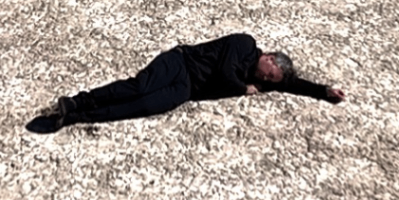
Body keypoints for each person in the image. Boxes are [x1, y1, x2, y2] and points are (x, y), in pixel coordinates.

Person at [28, 31, 345, 132]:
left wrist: (323, 92)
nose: (265, 79)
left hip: (188, 89)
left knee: (147, 105)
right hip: (178, 63)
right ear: (269, 57)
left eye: (269, 80)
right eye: (268, 73)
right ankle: (80, 100)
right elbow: (224, 76)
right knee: (140, 86)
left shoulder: (266, 76)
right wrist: (244, 88)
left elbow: (291, 84)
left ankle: (76, 117)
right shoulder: (245, 45)